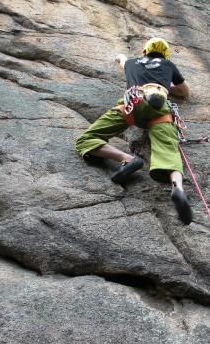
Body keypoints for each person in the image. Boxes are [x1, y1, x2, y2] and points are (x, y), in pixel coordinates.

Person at [75, 37, 193, 224]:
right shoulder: (168, 65)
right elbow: (184, 92)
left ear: (144, 51)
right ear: (165, 54)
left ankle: (127, 160)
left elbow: (121, 59)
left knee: (86, 139)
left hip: (131, 104)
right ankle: (177, 188)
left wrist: (120, 57)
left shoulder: (131, 62)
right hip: (159, 109)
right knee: (169, 152)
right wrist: (166, 85)